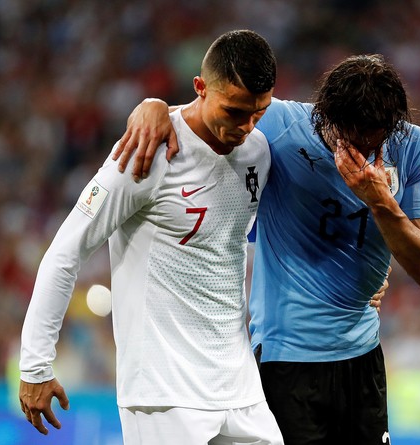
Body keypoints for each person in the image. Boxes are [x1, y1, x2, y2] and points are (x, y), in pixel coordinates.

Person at [114, 53, 420, 445]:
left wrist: (382, 204)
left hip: (363, 358)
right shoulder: (284, 126)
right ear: (326, 118)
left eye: (376, 140)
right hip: (287, 360)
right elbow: (209, 113)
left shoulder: (412, 147)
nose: (364, 152)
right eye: (352, 139)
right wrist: (152, 108)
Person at [18, 29, 286, 445]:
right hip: (162, 393)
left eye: (259, 113)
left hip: (240, 389)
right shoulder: (147, 152)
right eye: (235, 112)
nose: (247, 126)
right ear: (200, 88)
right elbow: (65, 252)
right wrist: (35, 365)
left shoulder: (259, 151)